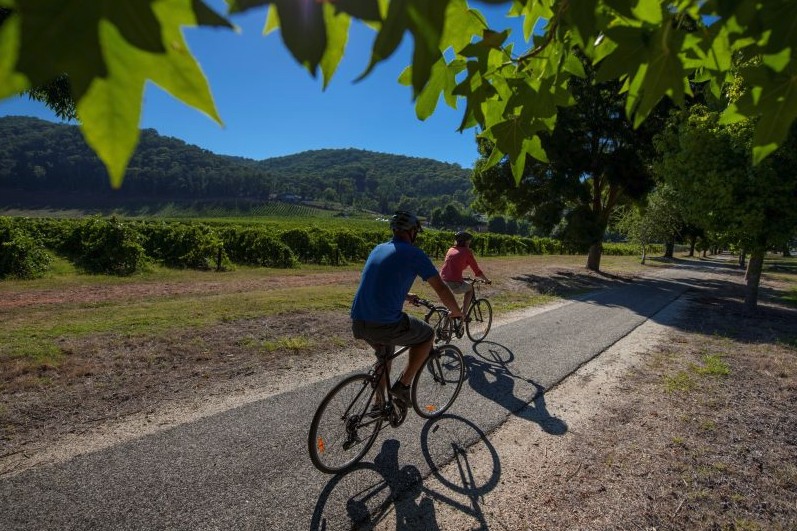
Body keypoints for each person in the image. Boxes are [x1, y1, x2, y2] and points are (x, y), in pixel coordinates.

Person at [350, 211, 463, 406]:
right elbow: (441, 288)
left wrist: (406, 295)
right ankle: (403, 385)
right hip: (384, 324)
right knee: (427, 334)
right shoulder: (414, 254)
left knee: (384, 358)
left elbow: (380, 283)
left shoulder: (378, 248)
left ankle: (379, 405)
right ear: (413, 232)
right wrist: (456, 311)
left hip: (359, 321)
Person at [440, 231, 491, 316]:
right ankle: (463, 314)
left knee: (451, 308)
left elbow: (452, 267)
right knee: (470, 289)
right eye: (469, 241)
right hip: (454, 282)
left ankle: (446, 324)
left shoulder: (451, 249)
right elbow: (477, 271)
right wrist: (487, 280)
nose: (470, 243)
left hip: (442, 281)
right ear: (466, 242)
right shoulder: (467, 251)